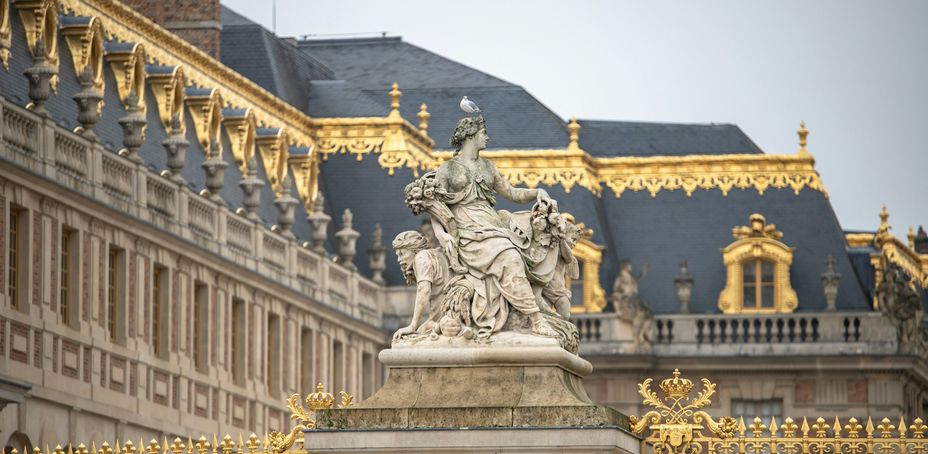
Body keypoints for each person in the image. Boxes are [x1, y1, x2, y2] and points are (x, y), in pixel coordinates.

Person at [430, 115, 559, 337]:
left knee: (519, 246)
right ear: (470, 136)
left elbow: (512, 193)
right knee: (510, 257)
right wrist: (441, 235)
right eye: (483, 133)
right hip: (467, 230)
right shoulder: (448, 169)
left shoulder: (488, 167)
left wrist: (538, 191)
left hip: (491, 223)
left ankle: (537, 308)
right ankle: (537, 319)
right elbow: (434, 205)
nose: (487, 137)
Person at [391, 231, 450, 341]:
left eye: (402, 254)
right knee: (421, 331)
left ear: (413, 249)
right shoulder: (438, 254)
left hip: (442, 319)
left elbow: (424, 290)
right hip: (443, 317)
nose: (399, 259)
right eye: (398, 255)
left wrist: (413, 325)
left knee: (410, 340)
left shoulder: (421, 257)